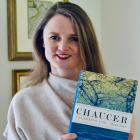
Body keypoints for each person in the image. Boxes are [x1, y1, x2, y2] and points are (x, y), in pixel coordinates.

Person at [4, 1, 137, 140]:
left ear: (86, 44)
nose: (62, 47)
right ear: (42, 41)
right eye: (54, 37)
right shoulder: (23, 102)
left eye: (74, 39)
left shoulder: (116, 100)